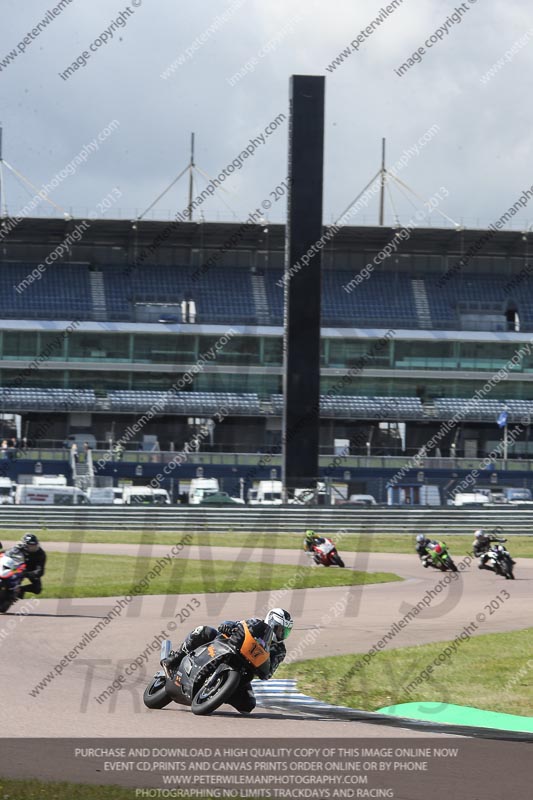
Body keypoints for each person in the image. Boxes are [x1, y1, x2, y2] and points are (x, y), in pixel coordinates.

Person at [161, 607, 293, 714]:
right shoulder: (255, 624)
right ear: (270, 622)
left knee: (248, 705)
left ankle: (220, 692)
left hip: (245, 669)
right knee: (204, 631)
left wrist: (265, 669)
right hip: (227, 647)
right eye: (280, 629)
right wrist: (228, 626)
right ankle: (175, 658)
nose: (282, 634)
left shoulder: (280, 650)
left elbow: (269, 671)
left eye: (285, 632)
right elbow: (235, 624)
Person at [7, 533, 46, 597]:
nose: (33, 547)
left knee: (37, 589)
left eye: (34, 545)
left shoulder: (40, 554)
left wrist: (26, 574)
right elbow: (8, 554)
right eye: (31, 546)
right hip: (17, 568)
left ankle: (21, 589)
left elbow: (40, 571)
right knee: (9, 578)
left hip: (31, 570)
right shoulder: (18, 548)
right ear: (25, 545)